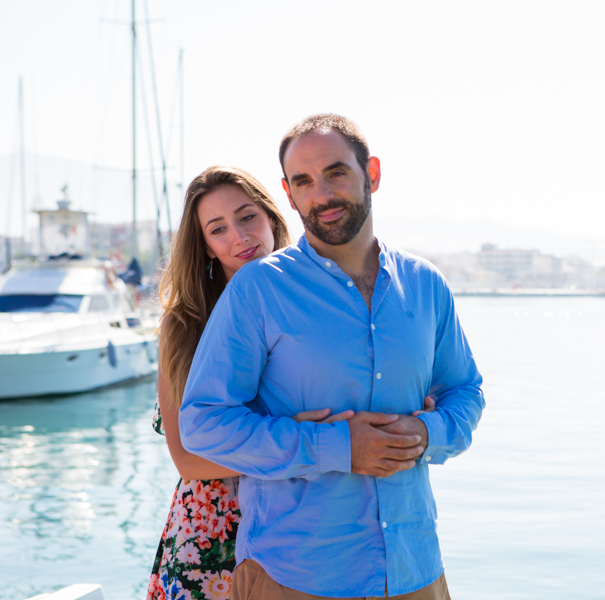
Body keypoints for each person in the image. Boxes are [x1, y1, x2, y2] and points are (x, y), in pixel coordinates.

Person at [179, 114, 484, 600]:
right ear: (289, 192)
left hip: (414, 569)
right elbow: (202, 423)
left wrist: (426, 433)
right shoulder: (258, 291)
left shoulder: (426, 285)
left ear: (372, 174)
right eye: (303, 181)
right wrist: (335, 447)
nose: (321, 195)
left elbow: (465, 390)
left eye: (336, 173)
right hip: (294, 575)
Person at [146, 166, 416, 600]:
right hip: (213, 531)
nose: (239, 236)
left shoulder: (319, 302)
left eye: (247, 217)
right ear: (207, 248)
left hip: (304, 528)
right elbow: (189, 460)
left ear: (272, 217)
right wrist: (304, 438)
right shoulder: (184, 326)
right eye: (218, 229)